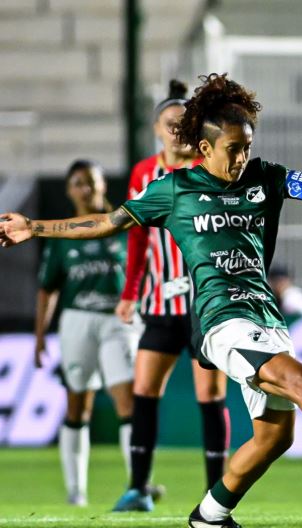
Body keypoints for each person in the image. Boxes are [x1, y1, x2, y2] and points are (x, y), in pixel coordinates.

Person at [1, 73, 302, 528]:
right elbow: (107, 222)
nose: (242, 157)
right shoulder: (174, 190)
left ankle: (209, 516)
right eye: (233, 148)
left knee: (275, 438)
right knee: (298, 380)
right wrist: (34, 227)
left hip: (266, 317)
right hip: (221, 320)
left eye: (247, 146)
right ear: (205, 148)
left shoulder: (266, 177)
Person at [112, 80, 229, 513]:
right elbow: (137, 236)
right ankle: (138, 488)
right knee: (144, 391)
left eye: (184, 124)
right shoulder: (144, 173)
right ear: (156, 129)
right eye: (170, 124)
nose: (177, 131)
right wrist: (130, 293)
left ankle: (217, 493)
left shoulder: (209, 168)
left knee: (209, 396)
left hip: (203, 307)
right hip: (160, 303)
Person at [33, 159, 138, 506]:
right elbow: (47, 288)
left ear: (103, 184)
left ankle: (138, 484)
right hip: (77, 320)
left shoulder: (124, 225)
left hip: (118, 321)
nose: (85, 189)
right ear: (68, 190)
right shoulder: (62, 235)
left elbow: (144, 271)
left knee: (128, 402)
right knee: (78, 406)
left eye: (91, 181)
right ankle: (76, 490)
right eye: (78, 183)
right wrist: (39, 338)